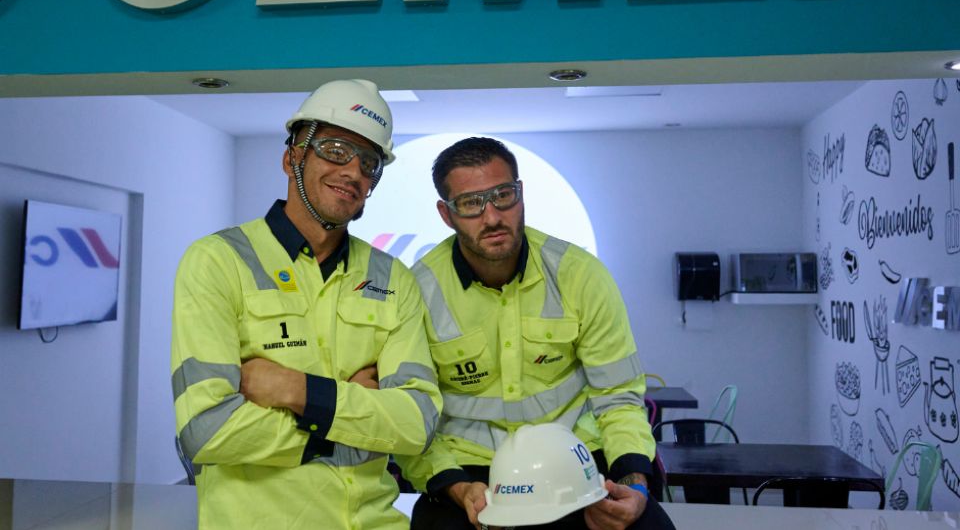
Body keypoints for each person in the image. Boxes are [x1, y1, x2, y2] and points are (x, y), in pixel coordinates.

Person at [170, 79, 441, 529]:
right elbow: (207, 429)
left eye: (369, 162)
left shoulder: (394, 277)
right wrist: (354, 416)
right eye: (336, 149)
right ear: (293, 155)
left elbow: (417, 424)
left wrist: (297, 392)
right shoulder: (217, 261)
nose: (354, 171)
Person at [397, 137, 675, 530]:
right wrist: (457, 488)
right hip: (472, 471)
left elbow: (618, 398)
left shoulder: (581, 275)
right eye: (471, 203)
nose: (492, 216)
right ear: (446, 214)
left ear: (521, 194)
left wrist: (635, 486)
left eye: (503, 195)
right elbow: (413, 414)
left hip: (574, 463)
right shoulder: (416, 290)